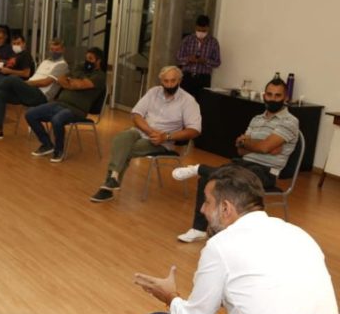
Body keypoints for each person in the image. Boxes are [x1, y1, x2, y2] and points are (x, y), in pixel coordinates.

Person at [134, 164, 338, 314]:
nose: (202, 209)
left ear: (225, 208)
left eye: (207, 201)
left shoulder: (221, 246)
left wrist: (170, 297)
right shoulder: (300, 235)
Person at [172, 78, 299, 242]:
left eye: (277, 95)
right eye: (269, 94)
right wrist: (258, 145)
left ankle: (199, 168)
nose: (273, 99)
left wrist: (253, 144)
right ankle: (199, 229)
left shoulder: (290, 121)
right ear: (264, 95)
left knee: (228, 181)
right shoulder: (257, 119)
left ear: (285, 97)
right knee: (208, 180)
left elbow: (264, 147)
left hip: (266, 172)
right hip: (243, 164)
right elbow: (241, 148)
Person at [90, 66, 202, 203]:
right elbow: (136, 114)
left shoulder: (188, 101)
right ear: (161, 81)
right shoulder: (153, 92)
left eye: (173, 81)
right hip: (142, 131)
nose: (169, 85)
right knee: (120, 139)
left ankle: (109, 185)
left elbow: (195, 130)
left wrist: (166, 137)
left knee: (125, 149)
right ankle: (113, 179)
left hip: (163, 141)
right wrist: (149, 131)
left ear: (180, 80)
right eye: (166, 81)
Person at [0, 39, 72, 142]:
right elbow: (35, 78)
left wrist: (25, 84)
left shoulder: (62, 65)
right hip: (29, 92)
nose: (54, 52)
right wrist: (25, 85)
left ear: (63, 50)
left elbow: (45, 82)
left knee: (12, 79)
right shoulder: (45, 61)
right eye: (52, 49)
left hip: (41, 96)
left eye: (57, 50)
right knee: (1, 94)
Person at [24, 46, 106, 161]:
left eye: (91, 59)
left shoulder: (99, 76)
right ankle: (47, 144)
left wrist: (71, 82)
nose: (87, 61)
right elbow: (60, 79)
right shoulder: (79, 68)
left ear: (98, 61)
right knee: (30, 114)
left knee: (57, 120)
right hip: (60, 103)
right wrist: (72, 83)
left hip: (76, 109)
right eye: (86, 58)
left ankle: (59, 150)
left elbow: (79, 85)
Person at [176, 15, 221, 97]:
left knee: (202, 101)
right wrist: (189, 59)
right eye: (198, 30)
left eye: (203, 31)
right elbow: (178, 58)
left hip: (204, 78)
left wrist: (205, 61)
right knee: (184, 99)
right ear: (195, 27)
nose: (201, 33)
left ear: (208, 28)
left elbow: (217, 62)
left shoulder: (213, 42)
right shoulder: (187, 40)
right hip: (187, 76)